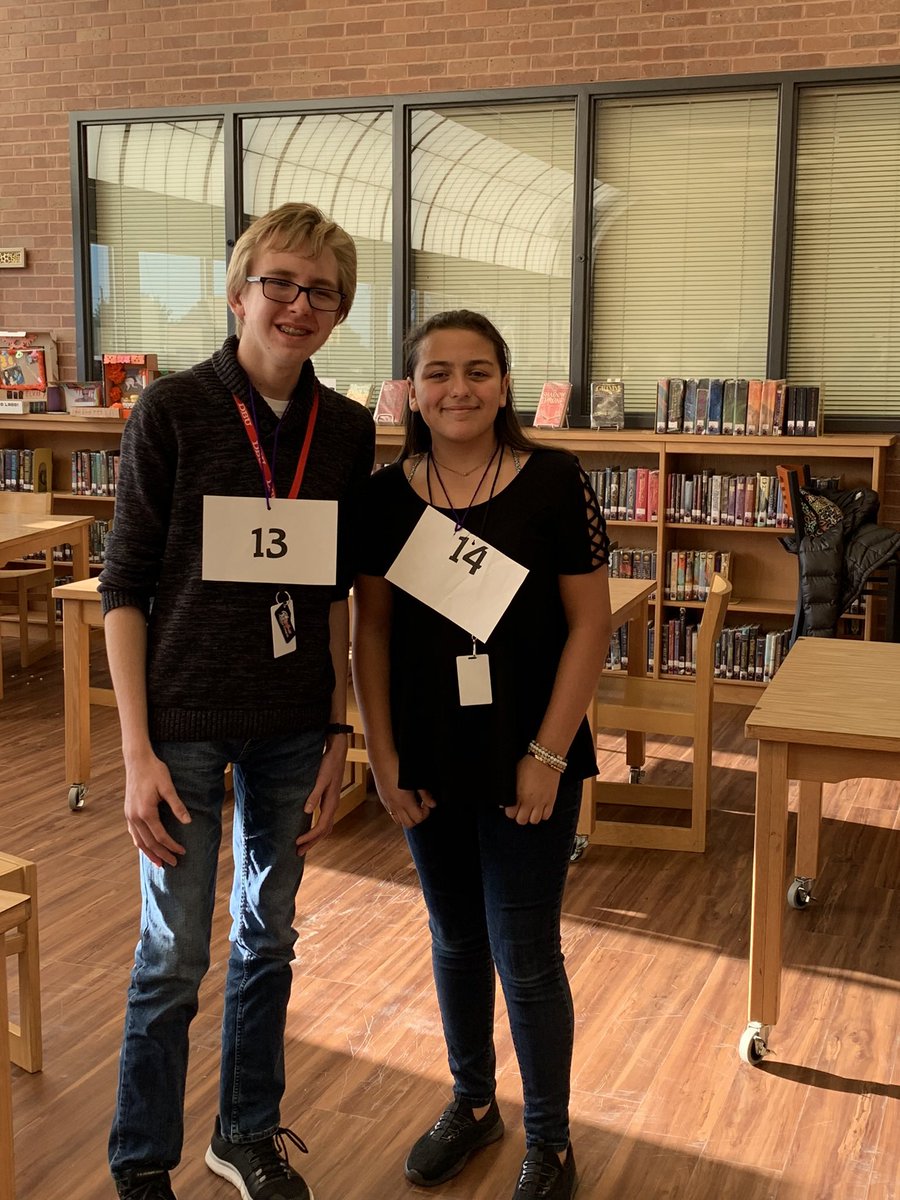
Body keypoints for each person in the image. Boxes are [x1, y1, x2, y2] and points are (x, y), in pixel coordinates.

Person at [99, 202, 375, 1200]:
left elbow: (338, 590)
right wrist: (134, 753)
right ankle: (142, 1162)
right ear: (239, 290)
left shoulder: (347, 430)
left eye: (322, 291)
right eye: (281, 283)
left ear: (340, 315)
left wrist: (341, 725)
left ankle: (245, 1132)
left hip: (296, 724)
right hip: (180, 725)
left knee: (270, 936)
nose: (299, 304)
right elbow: (123, 588)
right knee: (172, 953)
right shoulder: (170, 412)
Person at [351, 311, 611, 1200]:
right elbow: (372, 631)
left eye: (477, 371)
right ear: (411, 390)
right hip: (428, 754)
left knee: (526, 949)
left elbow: (591, 625)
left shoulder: (556, 480)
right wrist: (381, 758)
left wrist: (546, 753)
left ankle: (551, 1139)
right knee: (456, 937)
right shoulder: (385, 496)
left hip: (527, 756)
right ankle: (471, 1104)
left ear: (505, 382)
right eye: (437, 374)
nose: (457, 389)